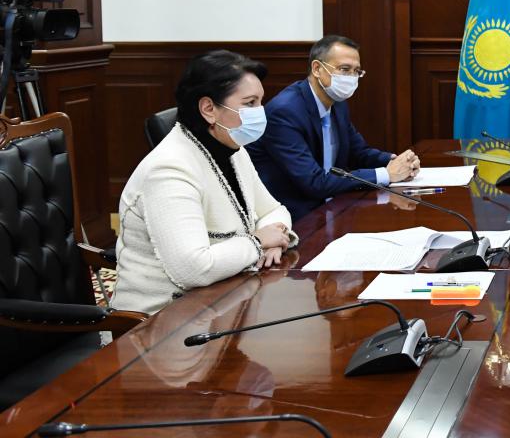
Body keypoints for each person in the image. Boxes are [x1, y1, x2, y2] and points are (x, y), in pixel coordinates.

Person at [113, 50, 298, 315]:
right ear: (209, 109)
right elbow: (193, 269)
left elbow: (274, 210)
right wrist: (258, 242)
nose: (261, 112)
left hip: (224, 299)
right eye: (250, 103)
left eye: (260, 102)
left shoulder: (232, 146)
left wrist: (276, 237)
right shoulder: (168, 170)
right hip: (161, 319)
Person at [248, 34, 421, 221]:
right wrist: (386, 174)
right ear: (317, 69)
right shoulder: (284, 112)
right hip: (294, 218)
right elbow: (314, 182)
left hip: (332, 208)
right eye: (344, 69)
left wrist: (396, 162)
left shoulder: (337, 103)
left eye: (356, 71)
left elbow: (358, 153)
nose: (352, 77)